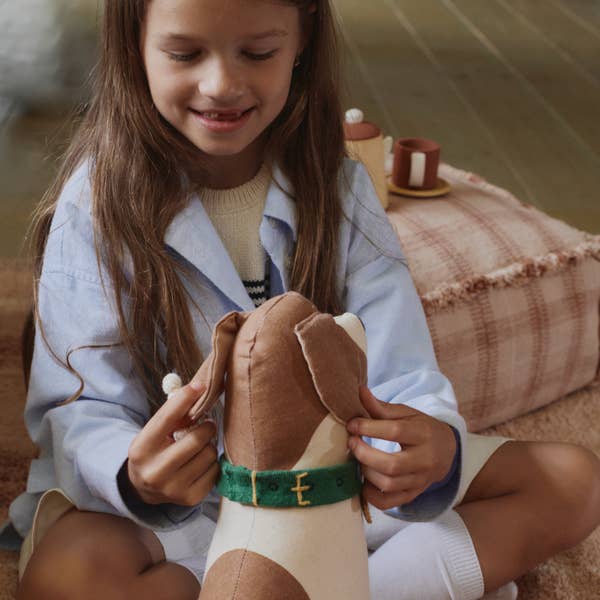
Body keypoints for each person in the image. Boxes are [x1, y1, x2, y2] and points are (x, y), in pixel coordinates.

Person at [2, 1, 599, 598]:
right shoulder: (95, 203)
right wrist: (136, 475)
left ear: (302, 44)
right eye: (185, 54)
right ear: (134, 46)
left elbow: (403, 371)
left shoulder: (342, 190)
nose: (221, 84)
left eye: (258, 53)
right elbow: (77, 409)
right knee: (67, 575)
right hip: (186, 517)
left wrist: (426, 447)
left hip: (334, 490)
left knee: (573, 480)